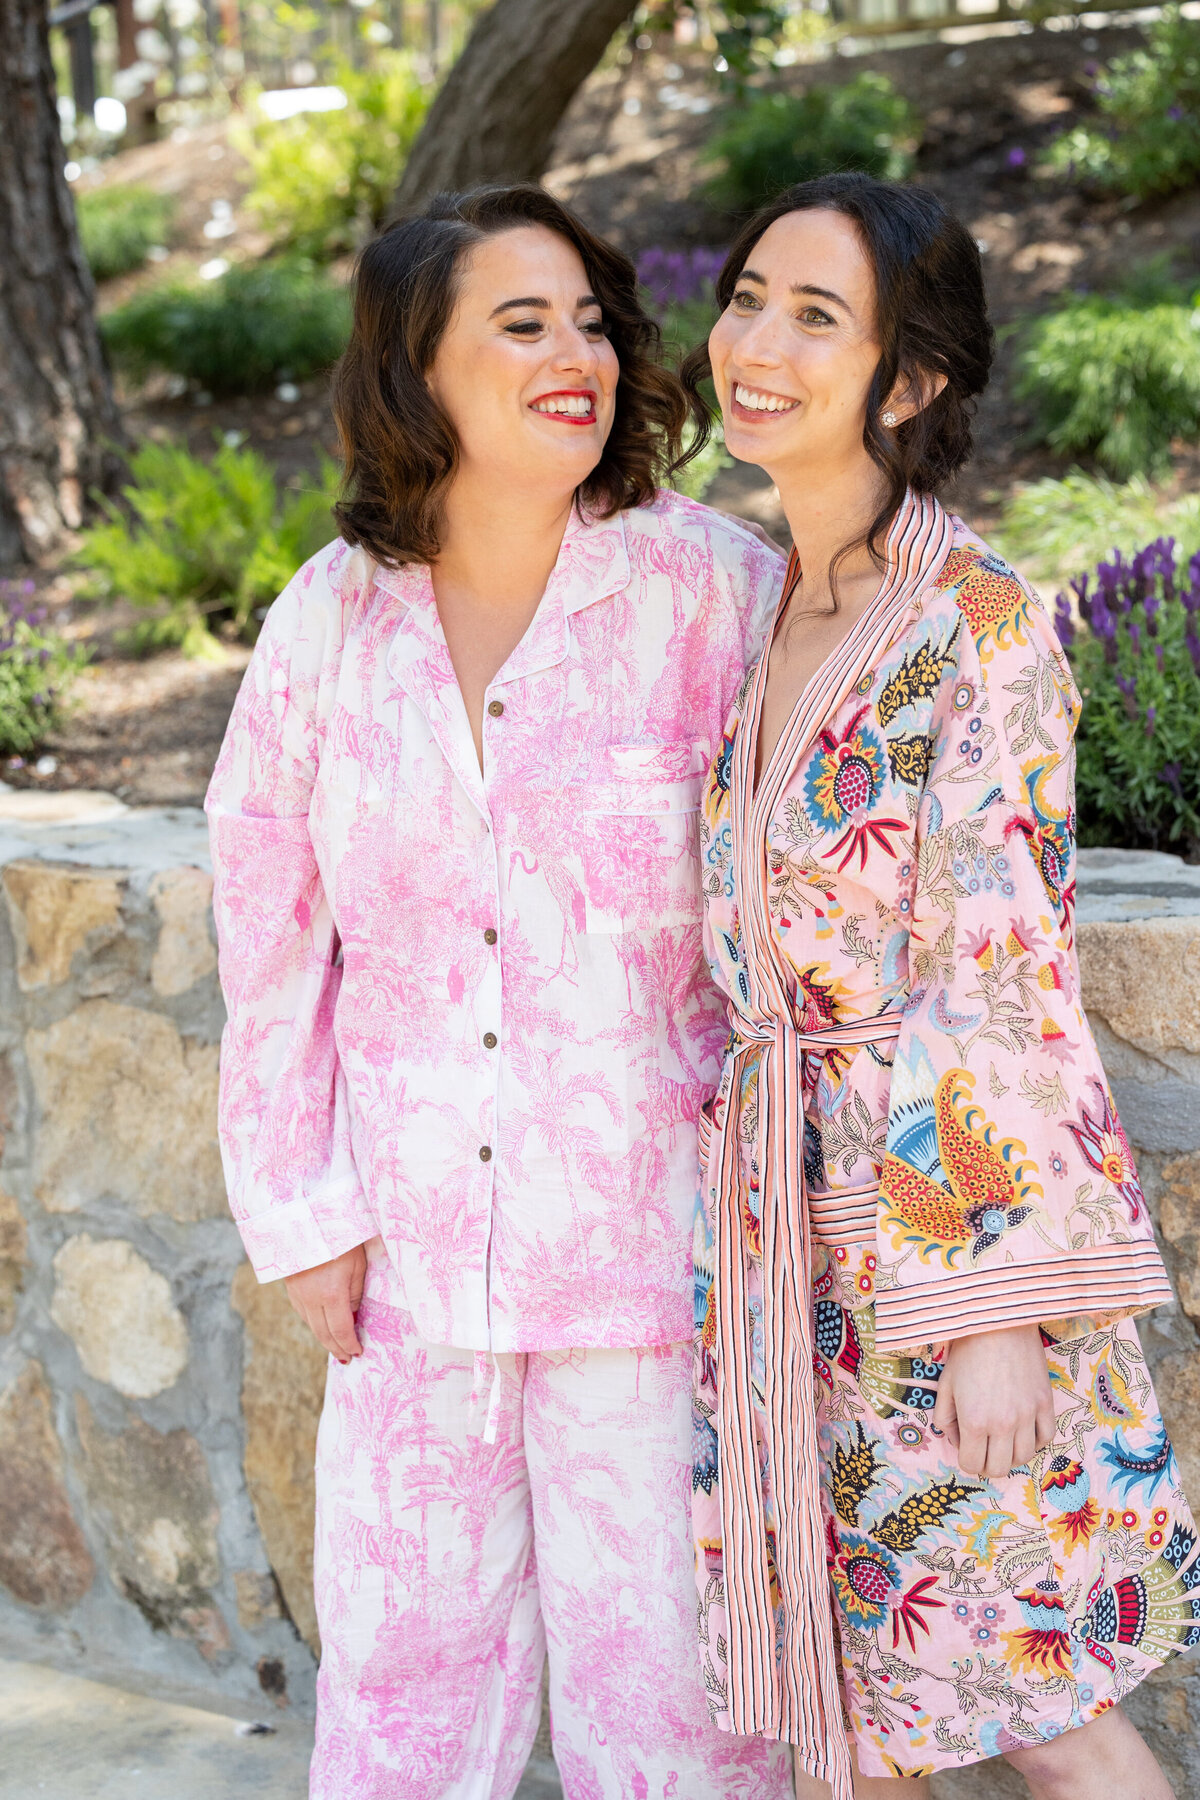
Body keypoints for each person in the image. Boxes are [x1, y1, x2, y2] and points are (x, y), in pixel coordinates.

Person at [205, 184, 795, 1800]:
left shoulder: (717, 597)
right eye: (521, 323)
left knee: (679, 1721)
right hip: (407, 1276)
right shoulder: (330, 621)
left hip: (655, 1272)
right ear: (420, 370)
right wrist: (306, 1210)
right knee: (402, 1709)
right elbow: (266, 929)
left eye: (593, 320)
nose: (576, 353)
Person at [685, 172, 1197, 1800]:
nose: (755, 343)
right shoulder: (766, 603)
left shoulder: (971, 618)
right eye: (748, 295)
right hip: (783, 1252)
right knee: (850, 1703)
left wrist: (1002, 1316)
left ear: (910, 382)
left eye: (815, 317)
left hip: (948, 1250)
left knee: (1035, 1692)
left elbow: (1003, 960)